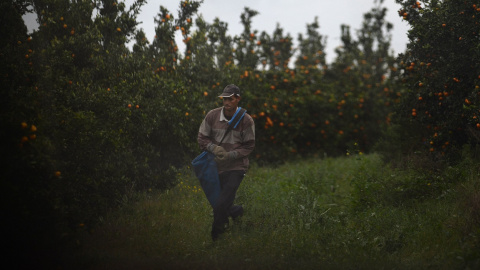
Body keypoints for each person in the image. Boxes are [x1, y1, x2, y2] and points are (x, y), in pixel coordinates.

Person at [197, 84, 255, 241]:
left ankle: (216, 238)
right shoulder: (212, 116)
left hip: (237, 167)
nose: (227, 102)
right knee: (220, 202)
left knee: (221, 203)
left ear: (238, 99)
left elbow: (249, 146)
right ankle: (237, 212)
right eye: (224, 99)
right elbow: (202, 137)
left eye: (230, 99)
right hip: (216, 166)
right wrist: (214, 148)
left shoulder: (246, 120)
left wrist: (231, 155)